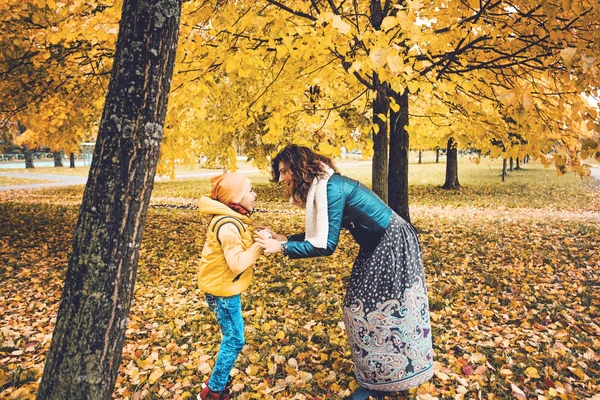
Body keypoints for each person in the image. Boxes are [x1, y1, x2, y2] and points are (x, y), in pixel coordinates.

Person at [255, 145, 433, 400]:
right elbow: (318, 235)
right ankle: (384, 376)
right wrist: (283, 239)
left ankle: (385, 380)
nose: (282, 178)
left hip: (392, 241)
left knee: (376, 309)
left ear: (299, 166)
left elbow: (326, 245)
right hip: (379, 243)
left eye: (284, 171)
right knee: (363, 309)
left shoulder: (330, 188)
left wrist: (282, 247)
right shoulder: (324, 185)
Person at [197, 173, 262, 400]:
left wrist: (257, 238)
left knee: (232, 337)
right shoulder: (227, 226)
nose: (254, 195)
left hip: (222, 289)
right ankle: (213, 391)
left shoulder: (232, 220)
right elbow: (236, 264)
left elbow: (238, 247)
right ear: (236, 197)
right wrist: (260, 246)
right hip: (223, 293)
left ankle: (216, 383)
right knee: (234, 339)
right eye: (250, 190)